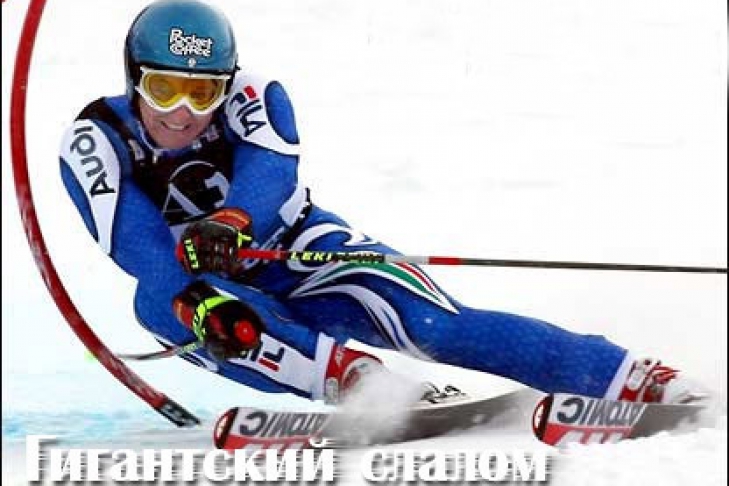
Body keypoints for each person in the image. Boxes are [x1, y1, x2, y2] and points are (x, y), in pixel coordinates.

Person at [59, 0, 693, 406]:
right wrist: (192, 291)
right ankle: (359, 384)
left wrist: (232, 220)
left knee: (436, 325)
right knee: (167, 305)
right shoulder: (95, 140)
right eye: (163, 88)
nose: (181, 113)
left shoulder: (255, 95)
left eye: (202, 93)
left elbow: (271, 170)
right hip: (204, 283)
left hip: (298, 251)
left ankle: (625, 375)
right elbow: (132, 240)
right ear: (133, 78)